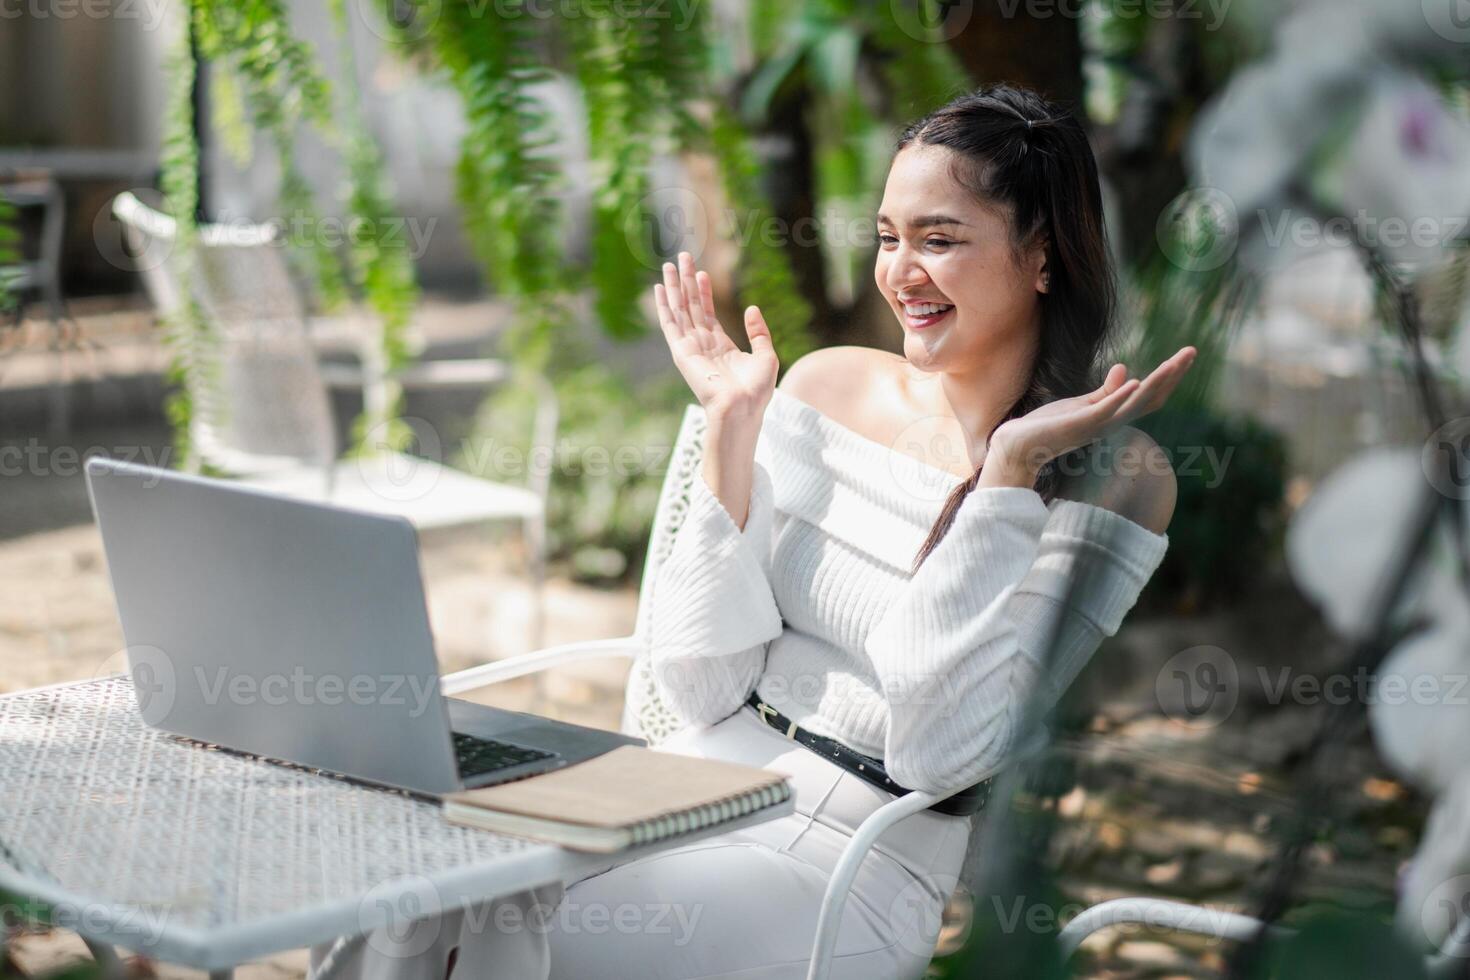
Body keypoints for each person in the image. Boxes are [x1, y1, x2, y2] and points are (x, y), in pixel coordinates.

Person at [312, 81, 1193, 980]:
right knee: (414, 891)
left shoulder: (1115, 479)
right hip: (685, 782)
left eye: (940, 239)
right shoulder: (829, 386)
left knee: (525, 935)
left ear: (1042, 256)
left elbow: (934, 756)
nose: (901, 271)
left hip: (850, 858)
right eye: (889, 238)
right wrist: (734, 437)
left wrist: (1006, 477)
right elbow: (700, 686)